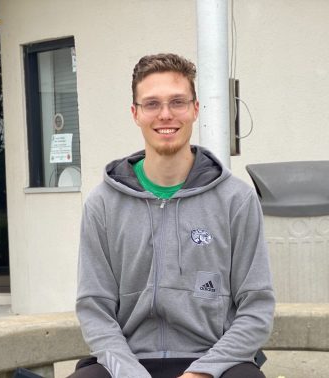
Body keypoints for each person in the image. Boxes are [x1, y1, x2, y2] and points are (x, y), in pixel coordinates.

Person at [72, 53, 275, 378]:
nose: (165, 115)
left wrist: (201, 373)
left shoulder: (236, 199)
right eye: (151, 104)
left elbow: (257, 307)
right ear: (135, 113)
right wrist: (129, 372)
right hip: (128, 363)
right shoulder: (103, 204)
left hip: (214, 363)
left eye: (177, 102)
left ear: (195, 109)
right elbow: (94, 308)